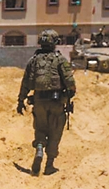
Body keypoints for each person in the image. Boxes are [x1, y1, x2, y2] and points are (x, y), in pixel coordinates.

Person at [17, 29, 76, 175]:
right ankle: (49, 165)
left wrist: (21, 100)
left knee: (40, 128)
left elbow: (25, 83)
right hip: (56, 102)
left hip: (38, 101)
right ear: (55, 42)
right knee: (55, 132)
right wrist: (69, 94)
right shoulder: (60, 60)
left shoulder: (33, 61)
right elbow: (70, 82)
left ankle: (39, 148)